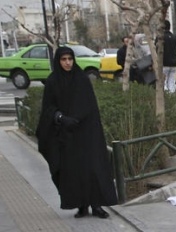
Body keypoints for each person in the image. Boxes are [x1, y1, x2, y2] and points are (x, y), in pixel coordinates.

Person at [35, 46, 118, 219]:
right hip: (67, 134)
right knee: (73, 170)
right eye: (63, 60)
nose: (67, 63)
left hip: (87, 132)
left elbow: (91, 106)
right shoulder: (52, 81)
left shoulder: (81, 79)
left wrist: (80, 119)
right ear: (58, 61)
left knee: (93, 168)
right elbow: (48, 108)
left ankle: (97, 205)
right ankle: (81, 205)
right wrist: (60, 118)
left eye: (70, 59)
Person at [161, 20, 176, 94]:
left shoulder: (160, 38)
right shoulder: (174, 37)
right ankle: (172, 97)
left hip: (164, 63)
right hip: (173, 63)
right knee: (171, 83)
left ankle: (167, 99)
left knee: (164, 83)